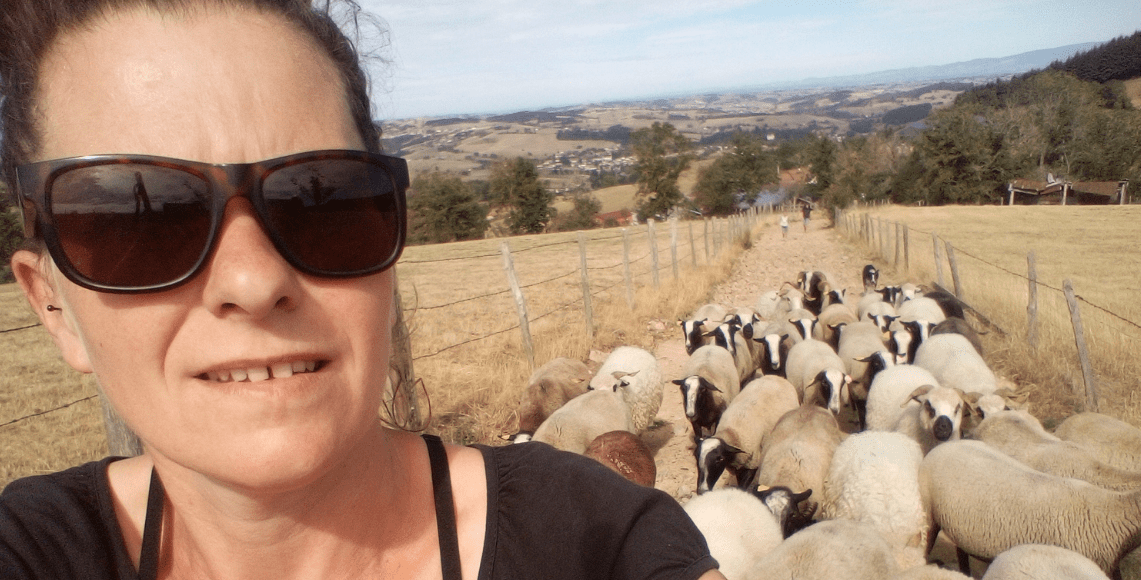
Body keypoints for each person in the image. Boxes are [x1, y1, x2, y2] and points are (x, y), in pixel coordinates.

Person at [0, 2, 722, 579]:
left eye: (324, 204)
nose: (254, 281)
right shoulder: (34, 549)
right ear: (53, 304)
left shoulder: (597, 540)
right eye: (138, 216)